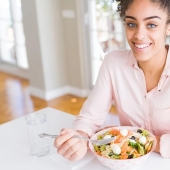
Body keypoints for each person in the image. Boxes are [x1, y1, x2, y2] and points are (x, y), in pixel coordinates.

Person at [54, 0, 170, 161]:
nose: (139, 35)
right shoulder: (113, 63)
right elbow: (89, 119)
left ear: (168, 26)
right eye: (131, 24)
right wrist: (80, 138)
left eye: (151, 25)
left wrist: (139, 139)